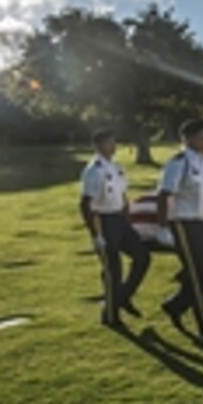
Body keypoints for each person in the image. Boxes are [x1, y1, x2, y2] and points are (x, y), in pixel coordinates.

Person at [156, 119, 203, 344]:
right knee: (198, 278)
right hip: (183, 224)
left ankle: (175, 305)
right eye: (202, 137)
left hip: (200, 223)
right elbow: (165, 195)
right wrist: (164, 227)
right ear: (190, 139)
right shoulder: (179, 162)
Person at [79, 129, 150, 327]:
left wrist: (128, 221)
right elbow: (86, 204)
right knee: (113, 271)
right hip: (103, 221)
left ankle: (123, 296)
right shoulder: (94, 170)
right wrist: (96, 235)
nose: (114, 146)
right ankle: (110, 316)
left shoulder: (116, 167)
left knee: (142, 256)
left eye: (114, 141)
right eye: (109, 142)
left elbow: (123, 197)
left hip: (119, 220)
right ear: (98, 146)